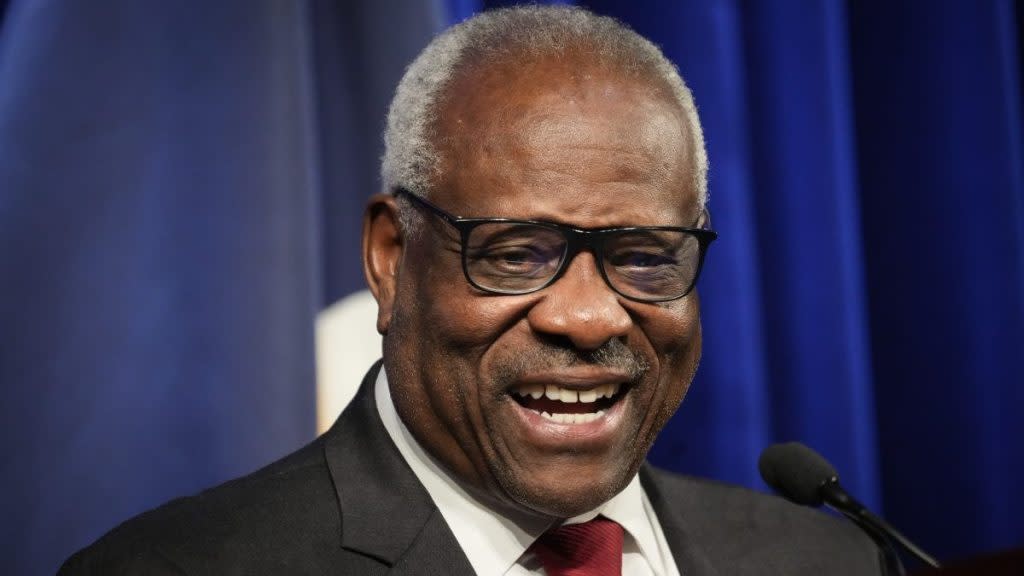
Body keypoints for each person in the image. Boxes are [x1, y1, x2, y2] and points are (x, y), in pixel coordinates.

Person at [61, 6, 883, 575]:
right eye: (518, 252)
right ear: (390, 259)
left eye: (642, 255)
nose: (589, 315)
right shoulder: (172, 573)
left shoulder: (826, 561)